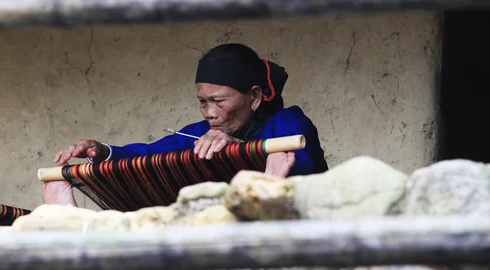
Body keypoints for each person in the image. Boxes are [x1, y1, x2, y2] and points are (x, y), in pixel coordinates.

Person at [43, 43, 328, 205]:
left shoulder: (288, 123)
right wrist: (101, 151)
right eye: (202, 102)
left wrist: (241, 152)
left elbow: (303, 170)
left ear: (254, 97)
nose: (209, 112)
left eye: (219, 101)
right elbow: (146, 156)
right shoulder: (199, 136)